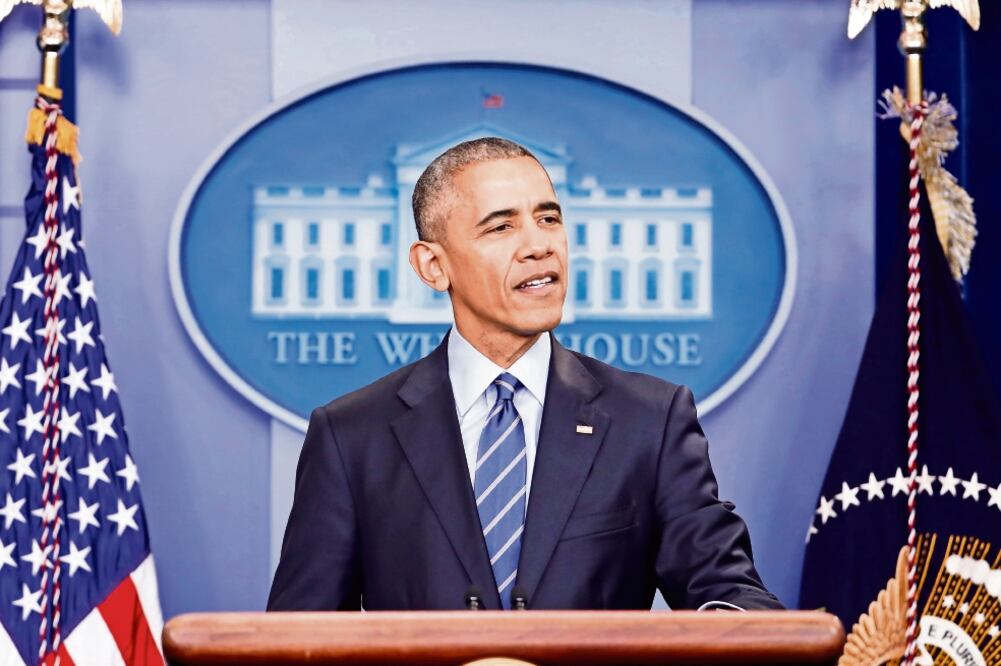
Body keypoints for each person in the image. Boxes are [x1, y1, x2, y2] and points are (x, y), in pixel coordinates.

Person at [267, 138, 783, 611]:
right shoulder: (351, 435)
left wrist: (745, 633)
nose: (540, 245)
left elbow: (727, 593)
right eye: (501, 226)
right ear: (432, 266)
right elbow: (298, 639)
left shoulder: (650, 419)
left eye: (549, 218)